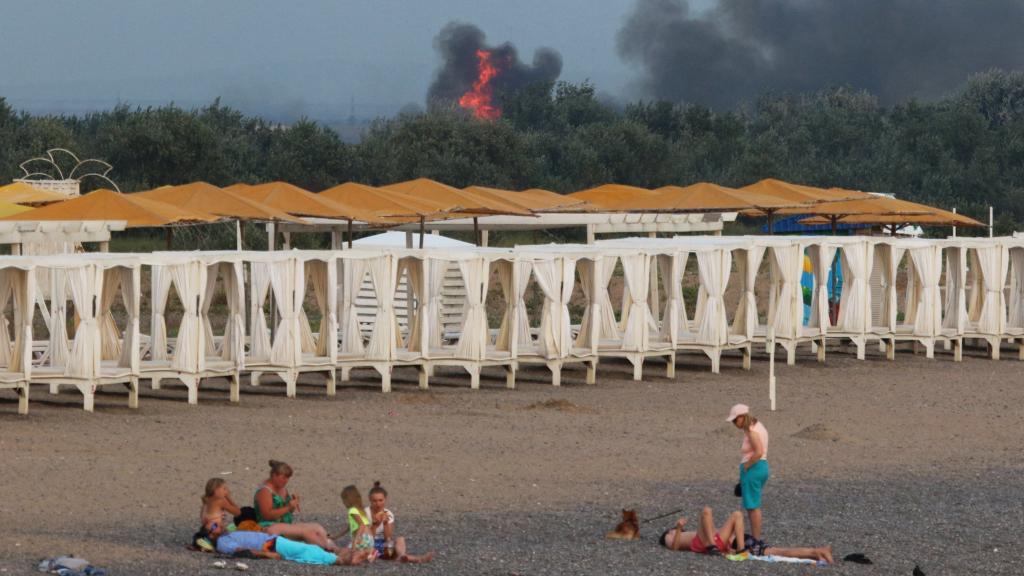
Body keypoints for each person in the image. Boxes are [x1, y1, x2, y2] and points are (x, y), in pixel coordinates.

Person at [658, 507, 832, 564]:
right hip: (704, 544)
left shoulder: (686, 532)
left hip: (720, 541)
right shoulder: (669, 536)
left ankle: (740, 549)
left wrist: (733, 542)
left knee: (737, 514)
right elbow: (673, 547)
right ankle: (816, 552)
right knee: (706, 511)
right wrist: (678, 528)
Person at [253, 460, 339, 552]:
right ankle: (327, 550)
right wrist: (288, 507)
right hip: (269, 526)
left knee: (316, 527)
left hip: (285, 525)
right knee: (306, 532)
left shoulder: (281, 487)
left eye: (288, 478)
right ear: (274, 475)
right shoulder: (265, 491)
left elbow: (288, 511)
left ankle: (335, 548)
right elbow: (267, 515)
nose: (286, 481)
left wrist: (293, 504)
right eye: (283, 478)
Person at [207, 527, 368, 566]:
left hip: (272, 541)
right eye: (213, 524)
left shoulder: (226, 535)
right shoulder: (223, 543)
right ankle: (341, 560)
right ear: (210, 534)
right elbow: (241, 551)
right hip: (270, 545)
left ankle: (344, 557)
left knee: (304, 550)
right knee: (306, 550)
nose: (218, 522)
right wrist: (267, 554)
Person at [727, 403, 769, 545]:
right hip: (761, 468)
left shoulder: (751, 431)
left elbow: (758, 452)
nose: (734, 423)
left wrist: (746, 466)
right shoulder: (758, 425)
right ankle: (755, 538)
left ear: (742, 417)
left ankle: (756, 540)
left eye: (735, 420)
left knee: (752, 506)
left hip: (754, 469)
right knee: (753, 504)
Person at [365, 481, 434, 564]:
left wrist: (386, 523)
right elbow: (366, 538)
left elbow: (388, 538)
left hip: (382, 545)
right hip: (367, 545)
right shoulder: (365, 513)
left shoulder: (388, 513)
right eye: (375, 501)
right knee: (371, 551)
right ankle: (416, 559)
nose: (378, 504)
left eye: (380, 500)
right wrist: (375, 525)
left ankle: (401, 556)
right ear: (370, 500)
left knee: (400, 539)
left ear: (385, 499)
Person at [340, 485, 376, 559]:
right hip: (370, 539)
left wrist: (355, 541)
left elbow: (362, 525)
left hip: (362, 538)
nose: (343, 502)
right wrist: (335, 536)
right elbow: (350, 527)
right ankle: (369, 553)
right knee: (359, 554)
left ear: (348, 500)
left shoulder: (352, 510)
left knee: (345, 553)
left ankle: (367, 553)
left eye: (343, 500)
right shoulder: (360, 510)